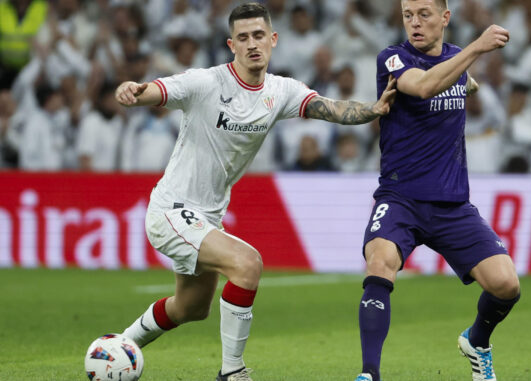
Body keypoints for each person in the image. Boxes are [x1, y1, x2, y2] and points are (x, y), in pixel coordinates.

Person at [112, 3, 396, 381]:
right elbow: (157, 89)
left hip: (205, 216)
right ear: (232, 44)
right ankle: (233, 372)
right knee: (248, 264)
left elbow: (332, 108)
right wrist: (132, 90)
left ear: (273, 40)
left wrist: (374, 109)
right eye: (243, 38)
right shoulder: (206, 82)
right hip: (171, 210)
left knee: (191, 307)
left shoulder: (281, 91)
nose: (252, 44)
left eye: (258, 35)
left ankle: (118, 346)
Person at [354, 1, 519, 381]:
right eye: (408, 14)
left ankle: (477, 341)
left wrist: (466, 70)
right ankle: (369, 374)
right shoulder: (392, 59)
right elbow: (424, 86)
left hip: (452, 204)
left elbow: (460, 79)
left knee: (506, 284)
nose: (414, 22)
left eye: (424, 13)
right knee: (379, 262)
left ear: (445, 18)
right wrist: (477, 49)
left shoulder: (456, 58)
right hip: (400, 198)